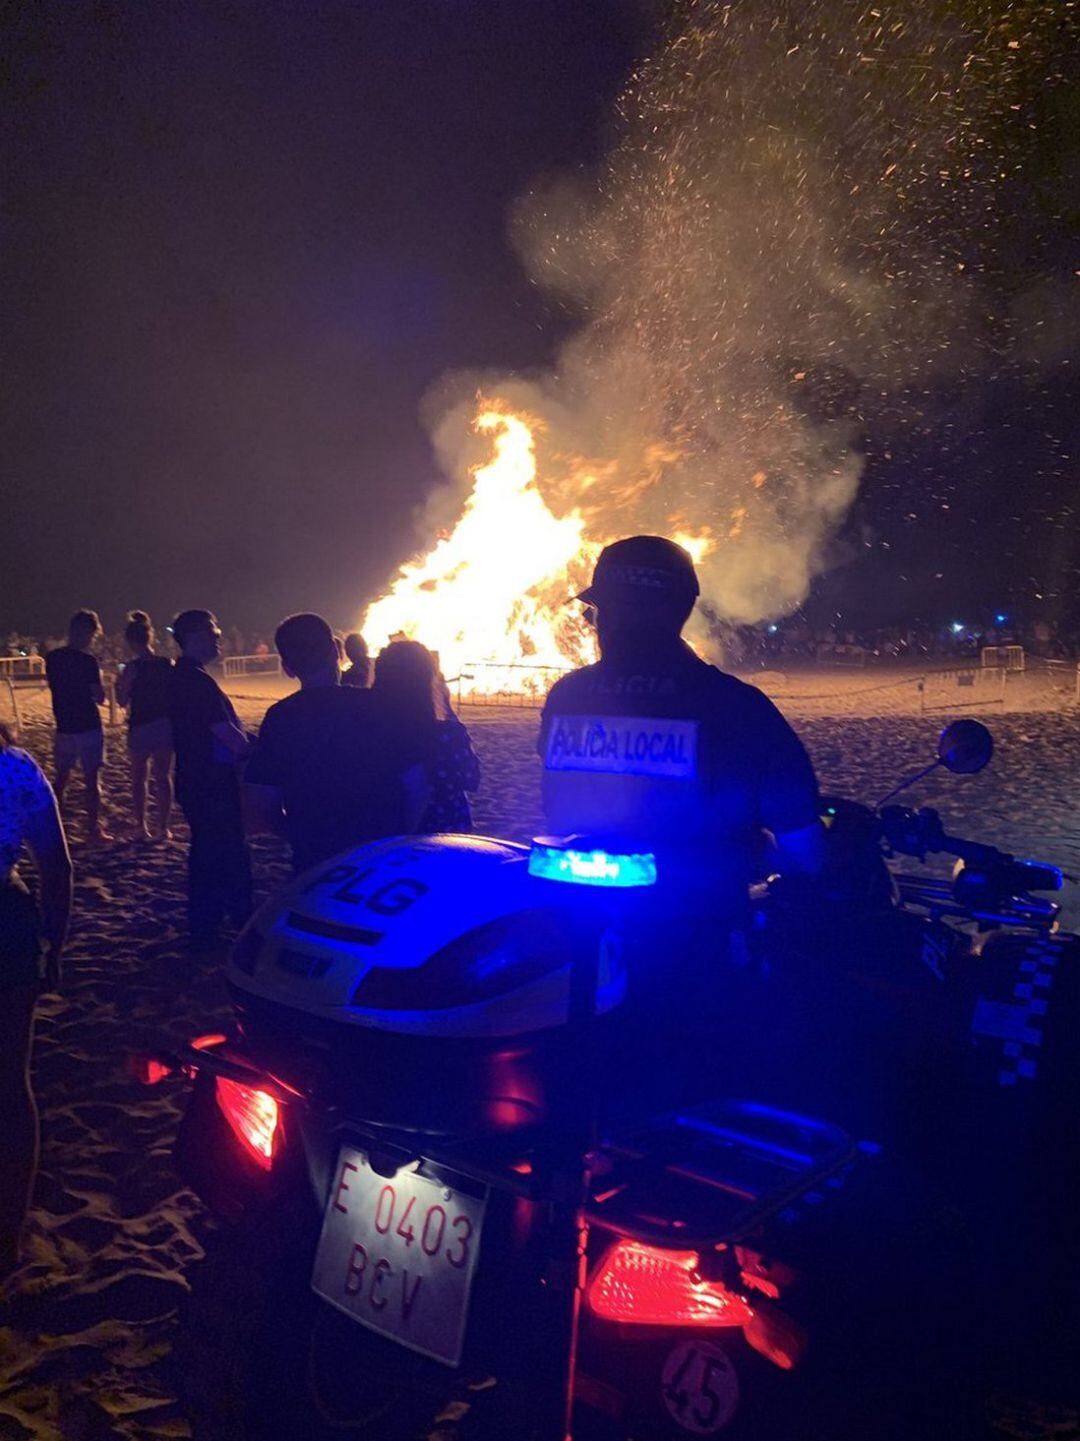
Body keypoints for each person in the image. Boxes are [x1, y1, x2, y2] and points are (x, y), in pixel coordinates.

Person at [539, 535, 823, 914]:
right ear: (681, 611)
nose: (594, 623)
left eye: (597, 611)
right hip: (699, 928)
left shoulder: (567, 697)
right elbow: (802, 843)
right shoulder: (736, 707)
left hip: (581, 921)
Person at [244, 614, 427, 874]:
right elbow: (416, 785)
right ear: (337, 651)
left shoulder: (281, 717)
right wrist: (400, 834)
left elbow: (262, 799)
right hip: (379, 852)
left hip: (316, 856)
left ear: (287, 667)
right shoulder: (380, 705)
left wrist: (296, 833)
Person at [0, 723, 72, 1282]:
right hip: (9, 924)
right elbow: (57, 865)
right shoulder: (16, 766)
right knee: (10, 1082)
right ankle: (10, 1234)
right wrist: (54, 943)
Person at [168, 610, 252, 951]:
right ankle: (232, 921)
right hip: (210, 781)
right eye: (212, 631)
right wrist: (251, 750)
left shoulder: (183, 676)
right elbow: (222, 732)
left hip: (193, 777)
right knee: (227, 851)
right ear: (194, 635)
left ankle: (207, 924)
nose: (218, 636)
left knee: (207, 851)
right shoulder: (197, 681)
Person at [372, 640, 481, 832]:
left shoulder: (370, 732)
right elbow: (472, 780)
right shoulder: (447, 735)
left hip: (383, 837)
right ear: (427, 680)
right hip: (445, 835)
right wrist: (446, 705)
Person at [45, 609, 110, 842]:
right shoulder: (88, 661)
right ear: (86, 633)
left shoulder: (53, 659)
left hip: (64, 723)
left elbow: (55, 687)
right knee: (92, 779)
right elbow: (99, 697)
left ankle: (55, 826)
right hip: (88, 724)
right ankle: (93, 829)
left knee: (61, 778)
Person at [115, 611, 174, 841]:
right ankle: (163, 827)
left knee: (139, 777)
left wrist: (120, 685)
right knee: (163, 777)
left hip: (140, 724)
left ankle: (141, 826)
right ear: (150, 638)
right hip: (164, 724)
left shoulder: (132, 668)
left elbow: (122, 700)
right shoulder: (167, 663)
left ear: (131, 642)